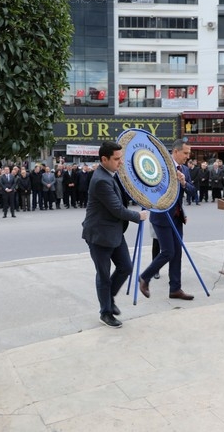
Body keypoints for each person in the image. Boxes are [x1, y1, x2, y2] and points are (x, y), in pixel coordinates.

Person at [82, 141, 149, 328]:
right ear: (104, 159)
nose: (120, 162)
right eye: (117, 159)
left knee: (126, 267)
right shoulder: (101, 180)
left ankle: (109, 298)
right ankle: (106, 312)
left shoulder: (109, 173)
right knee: (103, 275)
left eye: (121, 158)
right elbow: (117, 209)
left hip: (115, 232)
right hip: (99, 235)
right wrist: (139, 216)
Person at [139, 139, 197, 300]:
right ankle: (145, 277)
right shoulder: (161, 168)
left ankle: (175, 289)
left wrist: (184, 182)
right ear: (176, 152)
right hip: (162, 216)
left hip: (177, 217)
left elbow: (193, 192)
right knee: (168, 252)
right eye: (185, 153)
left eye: (189, 153)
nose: (187, 156)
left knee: (177, 253)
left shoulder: (185, 169)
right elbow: (151, 188)